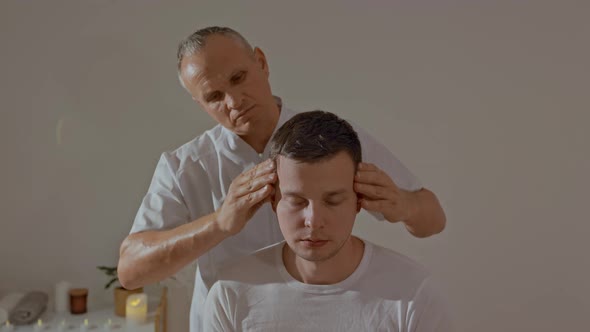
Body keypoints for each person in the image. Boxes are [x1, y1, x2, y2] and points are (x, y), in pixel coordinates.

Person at [117, 26, 447, 331]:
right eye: (214, 96)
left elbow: (433, 220)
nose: (234, 102)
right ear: (199, 103)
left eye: (238, 77)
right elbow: (131, 271)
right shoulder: (184, 167)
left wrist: (402, 204)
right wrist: (220, 223)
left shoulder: (333, 140)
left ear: (261, 62)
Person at [203, 110, 452, 331]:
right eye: (297, 201)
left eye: (332, 201)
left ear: (359, 200)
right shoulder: (231, 295)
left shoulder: (413, 293)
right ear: (272, 200)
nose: (313, 220)